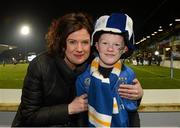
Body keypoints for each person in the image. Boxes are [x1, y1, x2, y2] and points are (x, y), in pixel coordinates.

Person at [12, 12, 143, 127]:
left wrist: (137, 95)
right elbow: (28, 115)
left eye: (85, 42)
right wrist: (69, 109)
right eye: (72, 42)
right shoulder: (41, 65)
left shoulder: (96, 64)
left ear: (93, 44)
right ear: (62, 43)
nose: (80, 49)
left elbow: (118, 99)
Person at [76, 12, 141, 127]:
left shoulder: (129, 75)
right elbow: (81, 115)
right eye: (105, 43)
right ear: (96, 45)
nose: (110, 48)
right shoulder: (83, 78)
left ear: (124, 49)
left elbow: (132, 112)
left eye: (116, 44)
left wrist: (138, 96)